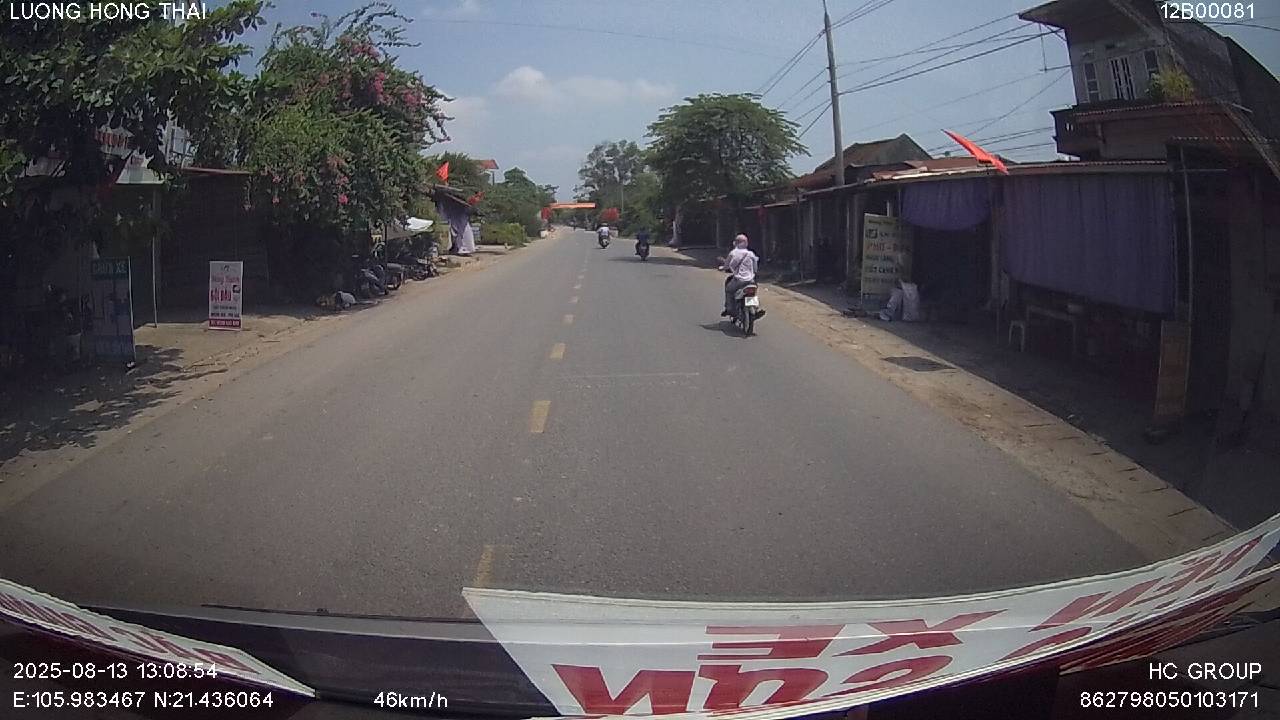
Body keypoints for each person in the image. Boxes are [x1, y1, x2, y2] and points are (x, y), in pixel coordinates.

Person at [720, 234, 763, 319]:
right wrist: (753, 272)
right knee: (752, 293)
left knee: (729, 290)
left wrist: (722, 268)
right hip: (750, 280)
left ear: (736, 243)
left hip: (738, 280)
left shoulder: (733, 253)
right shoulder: (751, 254)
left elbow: (727, 265)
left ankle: (729, 308)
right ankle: (755, 309)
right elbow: (755, 268)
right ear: (746, 243)